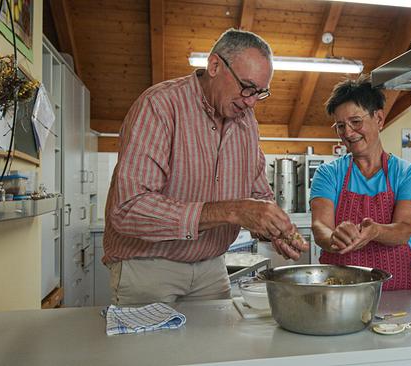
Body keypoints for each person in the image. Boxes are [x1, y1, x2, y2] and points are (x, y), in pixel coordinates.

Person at [103, 29, 309, 305]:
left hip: (211, 268)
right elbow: (129, 208)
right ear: (214, 66)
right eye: (246, 86)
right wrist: (233, 210)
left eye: (260, 93)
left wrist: (274, 229)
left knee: (219, 349)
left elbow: (258, 197)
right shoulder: (160, 105)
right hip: (149, 267)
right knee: (150, 350)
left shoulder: (247, 122)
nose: (250, 101)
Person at [310, 77, 411, 291]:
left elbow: (403, 229)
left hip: (398, 291)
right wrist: (334, 238)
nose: (348, 133)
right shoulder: (328, 173)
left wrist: (376, 231)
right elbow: (320, 227)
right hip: (340, 290)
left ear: (379, 119)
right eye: (340, 126)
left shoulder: (409, 174)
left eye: (356, 122)